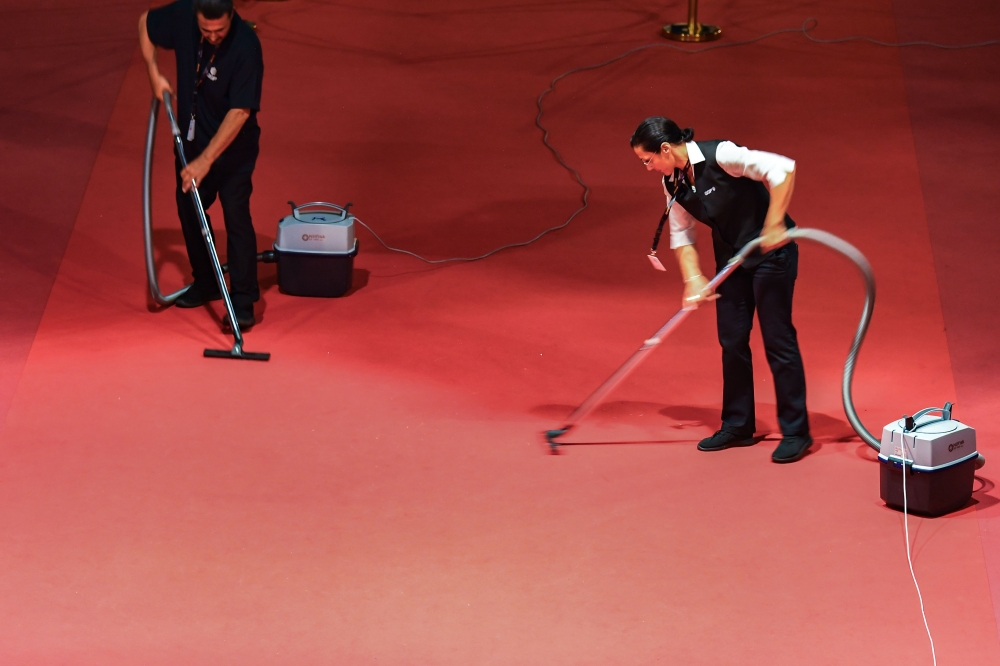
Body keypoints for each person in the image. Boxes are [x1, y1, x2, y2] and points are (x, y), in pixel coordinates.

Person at [630, 117, 812, 463]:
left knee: (777, 339)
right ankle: (738, 425)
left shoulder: (722, 154)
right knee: (731, 339)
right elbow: (681, 233)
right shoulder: (674, 182)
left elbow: (783, 170)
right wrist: (693, 278)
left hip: (772, 254)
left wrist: (774, 224)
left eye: (647, 160)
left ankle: (796, 431)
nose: (648, 167)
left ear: (665, 149)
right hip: (732, 262)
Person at [139, 0, 264, 330]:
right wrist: (154, 73)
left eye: (220, 29)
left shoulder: (246, 47)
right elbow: (144, 25)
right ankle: (206, 281)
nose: (212, 36)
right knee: (188, 207)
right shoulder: (183, 16)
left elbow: (240, 112)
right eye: (206, 30)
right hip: (192, 145)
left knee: (236, 214)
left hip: (233, 149)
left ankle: (242, 301)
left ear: (232, 15)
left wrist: (207, 160)